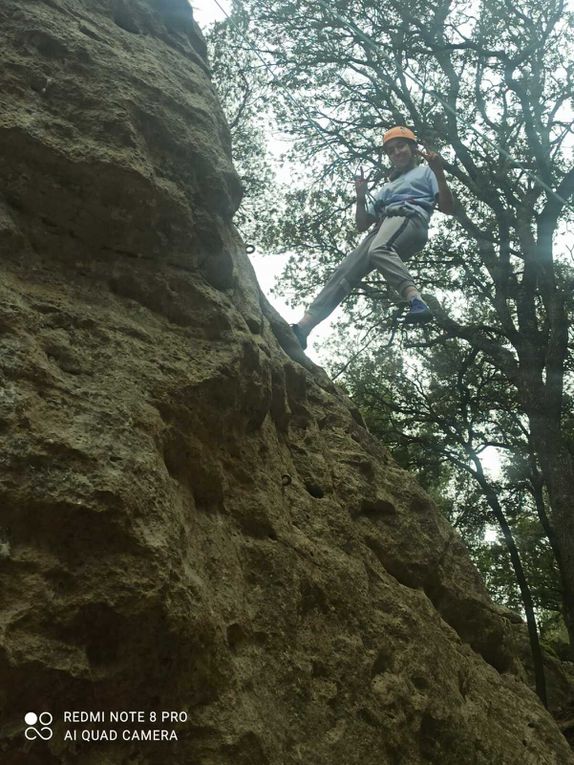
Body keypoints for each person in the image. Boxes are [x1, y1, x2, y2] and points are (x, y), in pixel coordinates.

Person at [291, 126, 454, 350]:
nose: (396, 152)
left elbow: (447, 207)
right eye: (390, 150)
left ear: (414, 149)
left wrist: (439, 172)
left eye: (401, 146)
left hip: (409, 218)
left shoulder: (426, 172)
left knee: (379, 249)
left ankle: (416, 300)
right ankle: (303, 328)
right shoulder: (385, 189)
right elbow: (361, 225)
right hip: (382, 227)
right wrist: (360, 197)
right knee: (344, 272)